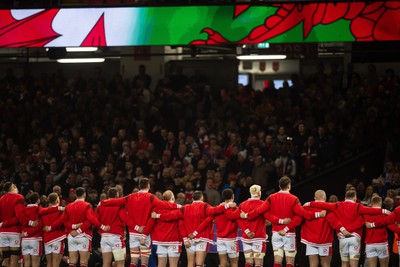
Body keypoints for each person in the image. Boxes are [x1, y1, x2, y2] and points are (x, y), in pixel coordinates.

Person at [242, 177, 326, 267]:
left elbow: (260, 211)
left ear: (279, 186)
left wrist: (247, 215)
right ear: (289, 186)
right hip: (289, 234)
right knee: (290, 262)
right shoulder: (294, 199)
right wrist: (318, 214)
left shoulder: (271, 197)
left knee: (277, 261)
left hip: (276, 233)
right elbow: (303, 214)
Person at [100, 178, 179, 267]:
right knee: (144, 263)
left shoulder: (130, 197)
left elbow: (116, 201)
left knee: (133, 261)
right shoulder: (151, 197)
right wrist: (178, 206)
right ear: (148, 186)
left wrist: (103, 203)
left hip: (133, 233)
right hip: (144, 233)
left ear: (139, 186)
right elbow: (163, 204)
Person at [306, 190, 390, 267]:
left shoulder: (338, 205)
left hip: (343, 238)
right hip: (355, 238)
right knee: (353, 264)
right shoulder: (358, 206)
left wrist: (310, 203)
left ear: (345, 197)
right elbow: (370, 210)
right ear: (355, 198)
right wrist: (384, 211)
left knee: (344, 263)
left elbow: (324, 205)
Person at [152, 190, 236, 267]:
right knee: (199, 264)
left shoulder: (185, 208)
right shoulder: (205, 206)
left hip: (190, 238)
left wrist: (158, 216)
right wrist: (226, 205)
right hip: (201, 237)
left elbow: (171, 215)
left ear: (192, 198)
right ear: (202, 197)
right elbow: (213, 211)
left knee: (190, 263)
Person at [44, 187, 110, 267]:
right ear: (85, 195)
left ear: (75, 195)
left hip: (71, 236)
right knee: (83, 262)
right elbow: (90, 220)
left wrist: (50, 227)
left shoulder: (68, 206)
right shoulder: (87, 205)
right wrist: (102, 227)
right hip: (83, 236)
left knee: (72, 262)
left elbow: (62, 221)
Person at [299, 190, 349, 267]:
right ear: (325, 198)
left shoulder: (306, 206)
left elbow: (302, 217)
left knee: (313, 265)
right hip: (324, 240)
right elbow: (334, 221)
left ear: (314, 198)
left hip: (310, 240)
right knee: (325, 264)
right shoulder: (328, 208)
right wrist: (342, 230)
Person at [96, 187, 138, 267]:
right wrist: (136, 227)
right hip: (116, 237)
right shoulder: (119, 205)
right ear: (117, 196)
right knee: (120, 264)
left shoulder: (101, 205)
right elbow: (125, 218)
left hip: (104, 237)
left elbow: (95, 220)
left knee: (105, 264)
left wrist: (102, 227)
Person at [143, 190, 182, 267]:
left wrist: (144, 236)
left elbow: (150, 224)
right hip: (174, 240)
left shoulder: (157, 209)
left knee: (161, 265)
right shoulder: (178, 208)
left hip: (160, 241)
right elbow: (181, 224)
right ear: (173, 198)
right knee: (173, 265)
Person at [0, 182, 25, 267]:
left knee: (6, 259)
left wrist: (2, 224)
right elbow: (19, 216)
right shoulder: (19, 197)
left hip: (3, 232)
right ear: (14, 187)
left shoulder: (1, 198)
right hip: (14, 232)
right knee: (14, 260)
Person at [39, 193, 66, 267]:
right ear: (58, 200)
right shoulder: (61, 211)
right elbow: (61, 221)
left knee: (49, 264)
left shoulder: (44, 211)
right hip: (57, 238)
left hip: (47, 239)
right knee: (55, 264)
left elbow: (41, 225)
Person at [363, 196, 390, 267]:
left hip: (370, 244)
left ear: (371, 203)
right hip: (382, 243)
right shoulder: (385, 213)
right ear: (381, 203)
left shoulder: (366, 213)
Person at [19, 192, 43, 267]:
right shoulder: (39, 210)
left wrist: (25, 233)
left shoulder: (23, 210)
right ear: (38, 200)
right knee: (35, 264)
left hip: (25, 240)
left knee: (26, 264)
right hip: (35, 240)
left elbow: (22, 223)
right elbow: (39, 227)